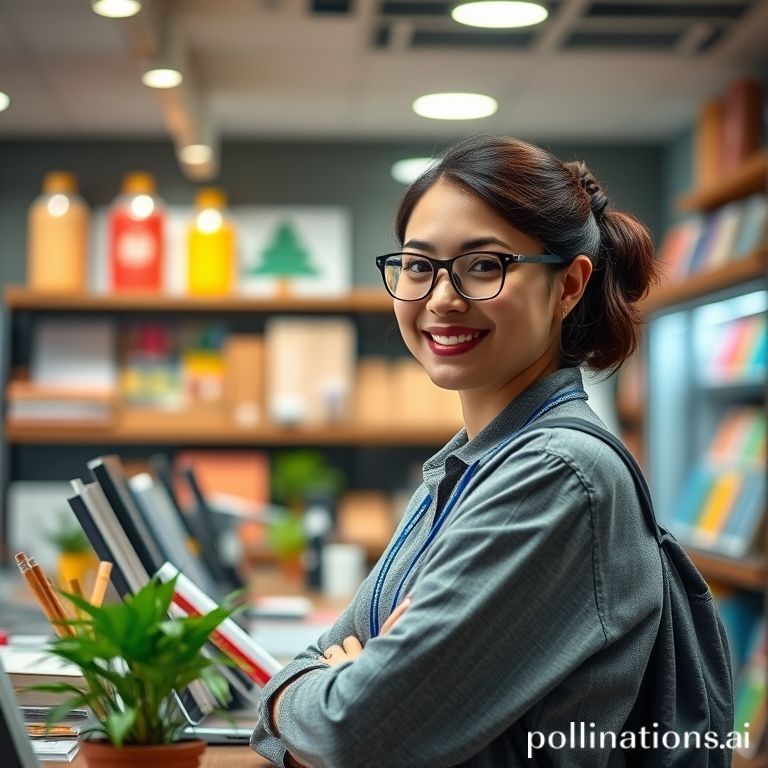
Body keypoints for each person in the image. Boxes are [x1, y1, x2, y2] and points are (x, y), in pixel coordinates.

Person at [250, 135, 665, 767]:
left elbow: (350, 733)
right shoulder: (466, 465)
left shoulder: (553, 474)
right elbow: (339, 695)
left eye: (484, 265)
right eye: (418, 266)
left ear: (569, 287)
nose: (441, 298)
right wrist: (333, 687)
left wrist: (292, 697)